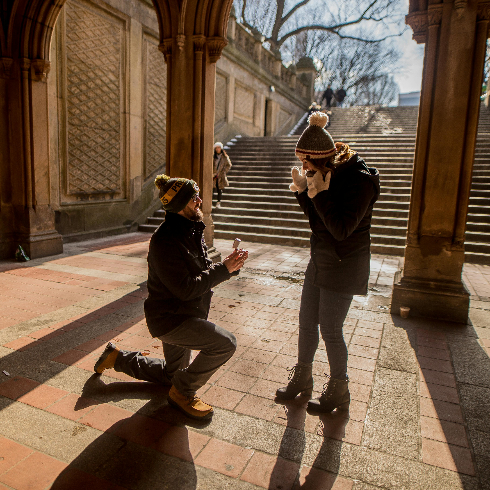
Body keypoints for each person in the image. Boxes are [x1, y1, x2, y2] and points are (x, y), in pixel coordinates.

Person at [94, 174, 248, 420]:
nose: (199, 201)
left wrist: (230, 265)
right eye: (193, 198)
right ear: (179, 205)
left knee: (170, 374)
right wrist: (224, 269)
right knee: (225, 344)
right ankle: (183, 392)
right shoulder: (164, 241)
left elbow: (203, 271)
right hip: (172, 320)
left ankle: (117, 358)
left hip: (187, 314)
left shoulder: (191, 229)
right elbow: (185, 288)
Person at [276, 111, 379, 413]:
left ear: (321, 158)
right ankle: (302, 379)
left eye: (306, 162)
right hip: (320, 260)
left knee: (331, 330)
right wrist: (303, 193)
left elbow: (341, 229)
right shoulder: (319, 174)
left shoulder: (358, 182)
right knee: (307, 322)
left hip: (345, 265)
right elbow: (317, 223)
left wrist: (318, 194)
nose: (303, 167)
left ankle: (339, 389)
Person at [213, 142, 232, 208]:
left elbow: (228, 165)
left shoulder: (224, 157)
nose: (217, 149)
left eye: (219, 147)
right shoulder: (213, 157)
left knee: (219, 189)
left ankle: (218, 202)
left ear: (221, 148)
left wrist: (224, 172)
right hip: (213, 176)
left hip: (220, 176)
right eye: (216, 148)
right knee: (211, 189)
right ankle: (210, 203)